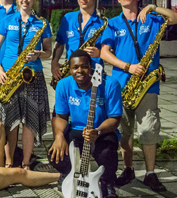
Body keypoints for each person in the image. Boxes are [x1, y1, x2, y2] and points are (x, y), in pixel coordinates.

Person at [100, 0, 177, 192]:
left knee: (148, 128)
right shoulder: (113, 24)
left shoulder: (152, 19)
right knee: (124, 133)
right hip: (122, 84)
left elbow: (176, 18)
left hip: (148, 85)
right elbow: (104, 53)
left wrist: (153, 7)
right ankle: (128, 169)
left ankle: (150, 174)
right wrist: (128, 67)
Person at [0, 0, 52, 169]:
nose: (25, 0)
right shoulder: (8, 20)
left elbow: (49, 51)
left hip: (33, 76)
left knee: (29, 122)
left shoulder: (41, 23)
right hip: (8, 75)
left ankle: (25, 163)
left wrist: (40, 54)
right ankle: (9, 162)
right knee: (10, 122)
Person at [49, 50, 122, 197]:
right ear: (70, 69)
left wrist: (98, 131)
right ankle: (68, 174)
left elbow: (115, 119)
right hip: (76, 129)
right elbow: (60, 117)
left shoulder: (110, 84)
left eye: (84, 67)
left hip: (102, 130)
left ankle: (107, 182)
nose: (79, 71)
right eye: (75, 68)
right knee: (55, 154)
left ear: (91, 67)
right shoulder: (64, 84)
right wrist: (58, 136)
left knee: (107, 152)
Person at [51, 0, 106, 87]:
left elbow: (112, 51)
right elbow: (60, 44)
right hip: (70, 73)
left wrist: (99, 53)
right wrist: (54, 62)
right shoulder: (68, 18)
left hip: (94, 74)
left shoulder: (103, 23)